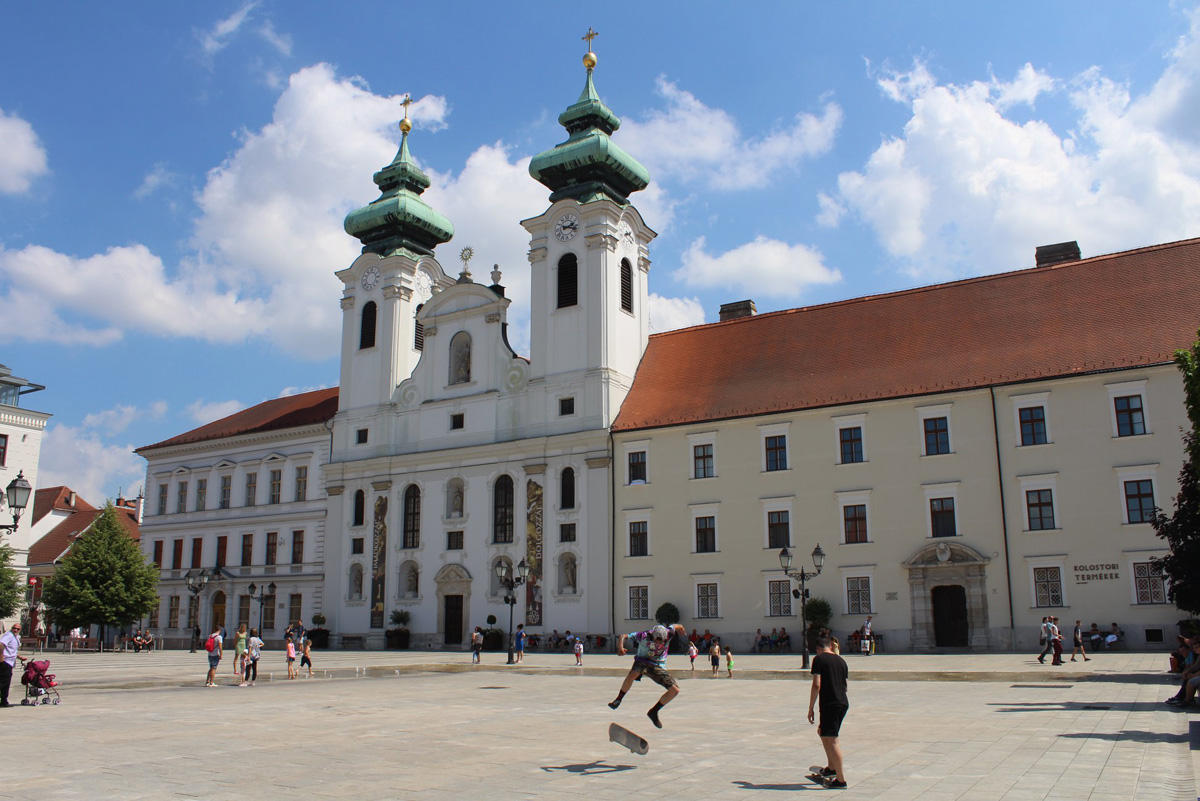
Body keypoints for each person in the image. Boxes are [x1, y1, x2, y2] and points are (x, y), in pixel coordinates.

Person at [608, 623, 686, 729]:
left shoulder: (670, 633)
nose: (658, 643)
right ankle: (618, 699)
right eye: (656, 641)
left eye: (661, 641)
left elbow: (677, 626)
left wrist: (682, 630)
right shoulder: (643, 635)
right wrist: (620, 646)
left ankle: (653, 712)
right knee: (633, 674)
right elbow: (623, 636)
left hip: (657, 664)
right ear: (652, 636)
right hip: (642, 660)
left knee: (675, 690)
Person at [807, 634, 849, 789]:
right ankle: (831, 768)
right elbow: (844, 685)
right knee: (824, 732)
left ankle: (841, 779)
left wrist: (811, 707)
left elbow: (816, 685)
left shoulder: (819, 659)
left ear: (818, 649)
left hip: (830, 703)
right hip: (842, 702)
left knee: (832, 740)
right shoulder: (841, 661)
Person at [1, 622, 26, 707]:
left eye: (18, 629)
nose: (15, 630)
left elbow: (11, 650)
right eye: (14, 628)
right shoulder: (9, 635)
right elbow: (1, 645)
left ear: (20, 630)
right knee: (3, 683)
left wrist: (19, 657)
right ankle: (3, 701)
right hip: (5, 662)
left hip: (10, 662)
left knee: (5, 683)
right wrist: (1, 657)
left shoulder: (16, 637)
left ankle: (4, 701)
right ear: (11, 628)